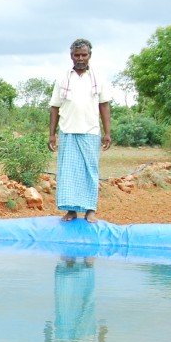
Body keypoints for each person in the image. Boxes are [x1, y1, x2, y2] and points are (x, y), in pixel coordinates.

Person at [48, 38, 112, 223]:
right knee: (68, 174)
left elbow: (104, 105)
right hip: (67, 131)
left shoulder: (98, 77)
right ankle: (71, 211)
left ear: (90, 56)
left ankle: (90, 210)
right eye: (77, 55)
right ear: (71, 56)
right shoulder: (63, 78)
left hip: (90, 132)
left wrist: (107, 133)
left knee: (90, 172)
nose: (80, 58)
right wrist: (52, 134)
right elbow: (54, 107)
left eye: (84, 55)